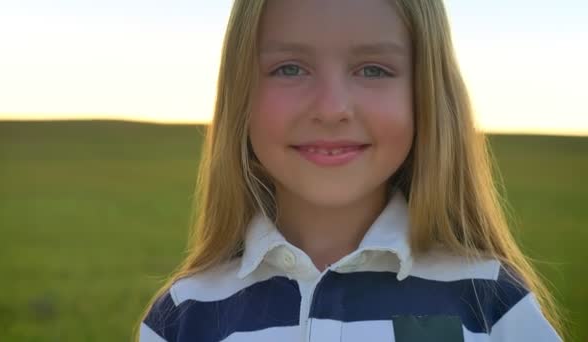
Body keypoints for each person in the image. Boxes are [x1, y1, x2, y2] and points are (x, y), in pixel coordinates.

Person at [138, 0, 563, 341]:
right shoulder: (183, 316)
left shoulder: (491, 303)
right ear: (240, 94)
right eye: (289, 68)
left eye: (373, 69)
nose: (331, 108)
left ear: (426, 95)